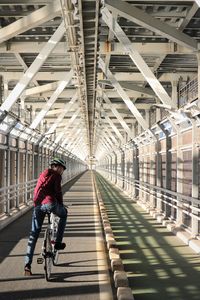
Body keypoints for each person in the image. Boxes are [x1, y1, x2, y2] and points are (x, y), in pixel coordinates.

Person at [24, 157, 68, 276]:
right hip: (50, 203)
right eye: (62, 169)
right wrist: (61, 205)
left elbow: (38, 189)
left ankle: (27, 264)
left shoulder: (43, 174)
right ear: (57, 167)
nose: (61, 171)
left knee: (34, 235)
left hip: (38, 205)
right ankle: (58, 243)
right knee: (64, 215)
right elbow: (58, 192)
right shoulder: (56, 175)